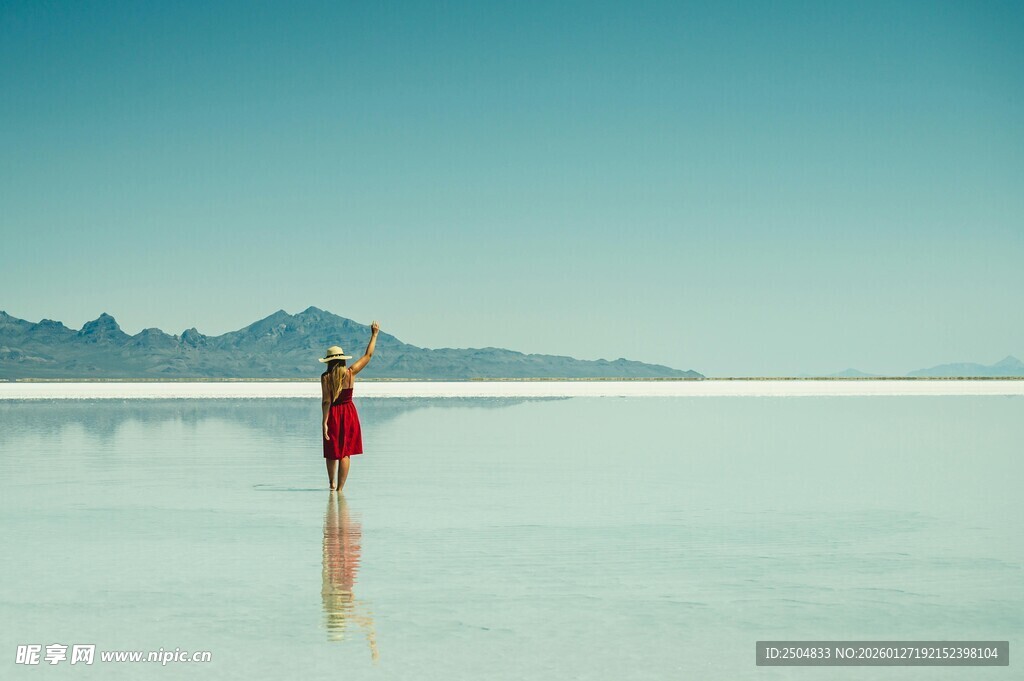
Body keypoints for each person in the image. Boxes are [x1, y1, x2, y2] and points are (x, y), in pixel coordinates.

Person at [320, 320, 379, 491]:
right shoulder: (350, 373)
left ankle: (331, 484)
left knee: (332, 451)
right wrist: (374, 335)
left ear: (329, 362)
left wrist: (324, 422)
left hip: (333, 413)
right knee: (345, 452)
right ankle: (340, 489)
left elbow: (326, 401)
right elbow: (368, 356)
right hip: (348, 413)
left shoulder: (325, 377)